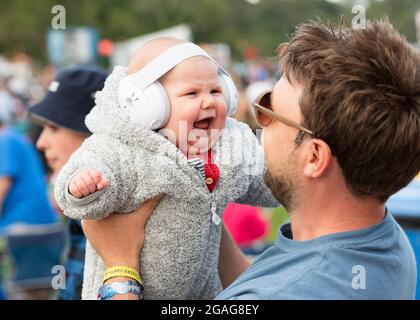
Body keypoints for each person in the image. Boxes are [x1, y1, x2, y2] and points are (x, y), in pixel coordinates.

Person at [82, 19, 420, 300]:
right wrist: (198, 203)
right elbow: (255, 280)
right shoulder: (385, 240)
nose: (258, 122)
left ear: (315, 156)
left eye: (270, 108)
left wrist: (120, 267)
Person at [54, 38, 278, 300]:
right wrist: (84, 184)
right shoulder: (124, 146)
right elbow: (91, 166)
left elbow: (268, 180)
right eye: (192, 93)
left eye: (216, 92)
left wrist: (285, 176)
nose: (208, 102)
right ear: (148, 103)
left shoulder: (228, 145)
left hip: (203, 290)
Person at [27, 66, 108, 300]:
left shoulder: (110, 211)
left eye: (53, 128)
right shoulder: (82, 206)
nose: (41, 142)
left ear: (92, 132)